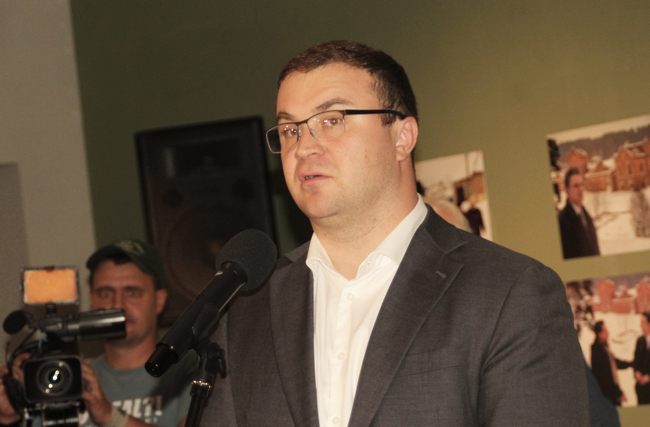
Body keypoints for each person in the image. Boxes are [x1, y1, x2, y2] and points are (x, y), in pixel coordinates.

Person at [201, 40, 590, 425]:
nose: (303, 147)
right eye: (290, 130)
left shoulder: (509, 294)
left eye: (332, 120)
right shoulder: (245, 310)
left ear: (402, 137)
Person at [0, 239, 194, 427]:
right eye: (105, 293)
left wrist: (110, 417)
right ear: (92, 299)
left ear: (159, 300)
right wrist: (10, 415)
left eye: (132, 292)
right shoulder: (67, 376)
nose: (117, 304)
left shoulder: (190, 370)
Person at [558, 167, 600, 259]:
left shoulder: (587, 216)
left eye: (582, 185)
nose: (581, 190)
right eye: (576, 186)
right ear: (567, 190)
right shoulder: (562, 221)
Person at [590, 320, 631, 406]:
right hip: (607, 395)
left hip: (611, 393)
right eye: (605, 330)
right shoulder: (597, 350)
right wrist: (619, 392)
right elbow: (606, 376)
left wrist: (631, 364)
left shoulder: (604, 348)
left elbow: (614, 363)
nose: (608, 332)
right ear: (599, 334)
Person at [633, 311, 650, 404]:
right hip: (641, 391)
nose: (640, 325)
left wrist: (648, 377)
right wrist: (637, 373)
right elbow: (636, 362)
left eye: (643, 322)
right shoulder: (639, 341)